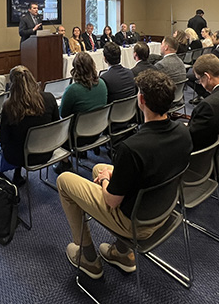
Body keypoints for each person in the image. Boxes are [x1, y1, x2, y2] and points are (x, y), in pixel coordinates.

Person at [56, 70, 192, 279]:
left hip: (136, 223)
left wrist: (105, 180)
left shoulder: (133, 148)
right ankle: (121, 253)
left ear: (141, 100)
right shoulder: (183, 133)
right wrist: (108, 174)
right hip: (164, 209)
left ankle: (88, 257)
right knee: (99, 168)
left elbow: (111, 201)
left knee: (65, 180)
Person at [0, 65, 59, 185]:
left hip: (19, 157)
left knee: (14, 140)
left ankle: (16, 174)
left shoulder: (9, 106)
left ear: (12, 85)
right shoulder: (49, 98)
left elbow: (3, 138)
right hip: (46, 150)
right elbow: (56, 124)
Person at [56, 51, 109, 174]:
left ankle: (65, 163)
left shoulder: (72, 90)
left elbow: (63, 114)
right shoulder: (102, 84)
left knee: (58, 128)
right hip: (98, 131)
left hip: (76, 137)